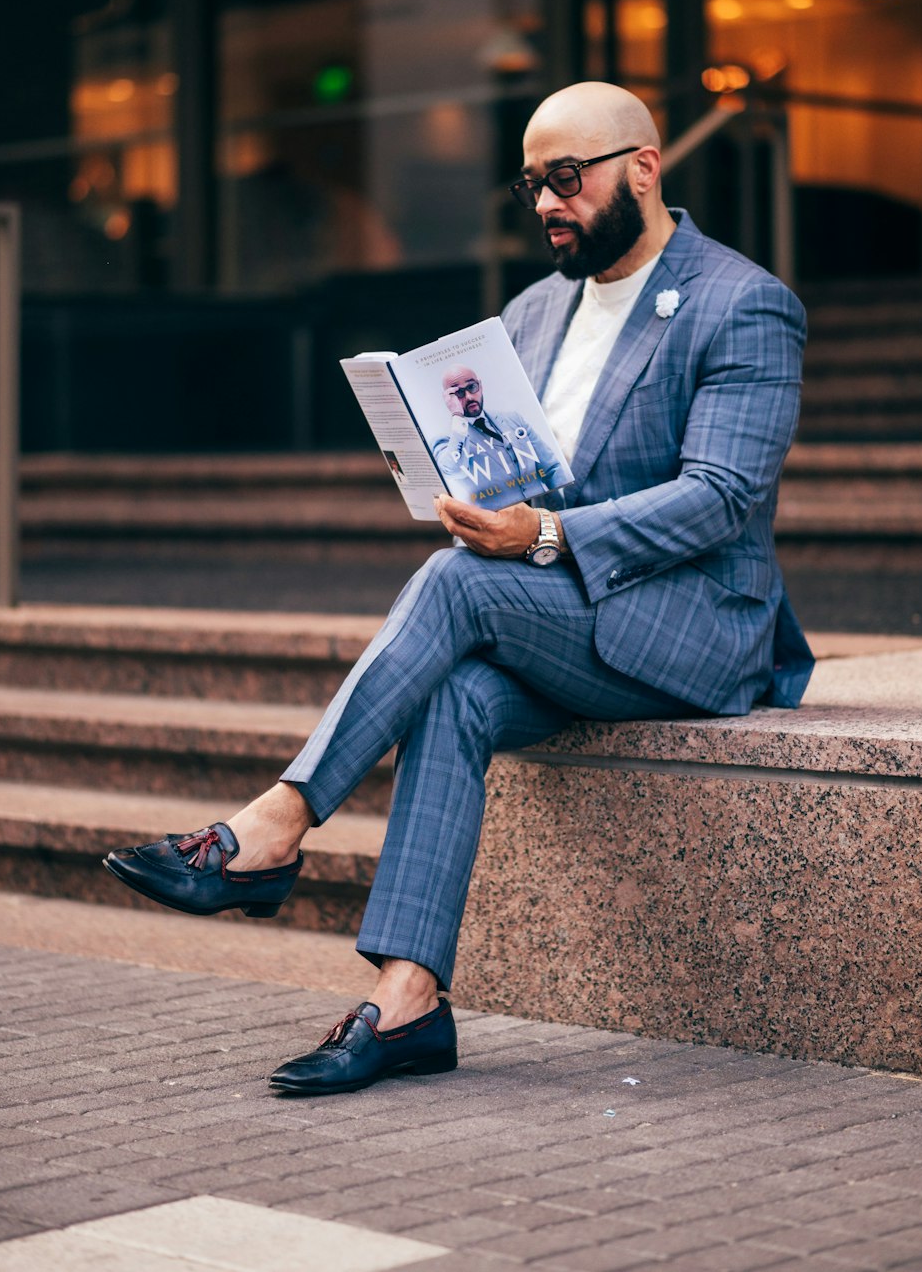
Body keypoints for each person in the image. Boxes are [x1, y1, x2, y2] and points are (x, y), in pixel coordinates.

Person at [104, 81, 814, 1097]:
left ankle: (274, 827)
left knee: (458, 590)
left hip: (697, 623)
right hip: (560, 604)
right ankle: (408, 1002)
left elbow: (720, 497)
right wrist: (464, 490)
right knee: (459, 690)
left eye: (565, 179)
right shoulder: (530, 310)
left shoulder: (739, 301)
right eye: (531, 184)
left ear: (642, 168)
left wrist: (545, 532)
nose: (545, 204)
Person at [435, 364, 566, 503]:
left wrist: (564, 507)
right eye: (458, 393)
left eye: (472, 387)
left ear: (480, 386)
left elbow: (551, 468)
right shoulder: (446, 440)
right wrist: (457, 415)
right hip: (498, 522)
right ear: (448, 398)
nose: (469, 397)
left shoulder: (513, 419)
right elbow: (453, 470)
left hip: (545, 514)